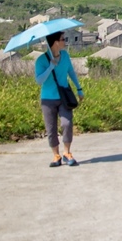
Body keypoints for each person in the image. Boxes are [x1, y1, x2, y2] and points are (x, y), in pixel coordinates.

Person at [34, 31, 83, 167]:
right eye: (63, 39)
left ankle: (67, 153)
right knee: (51, 129)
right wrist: (51, 66)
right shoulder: (41, 60)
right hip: (48, 99)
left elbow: (71, 72)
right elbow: (39, 80)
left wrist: (79, 89)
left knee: (67, 123)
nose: (65, 41)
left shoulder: (65, 56)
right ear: (55, 42)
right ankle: (56, 155)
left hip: (64, 97)